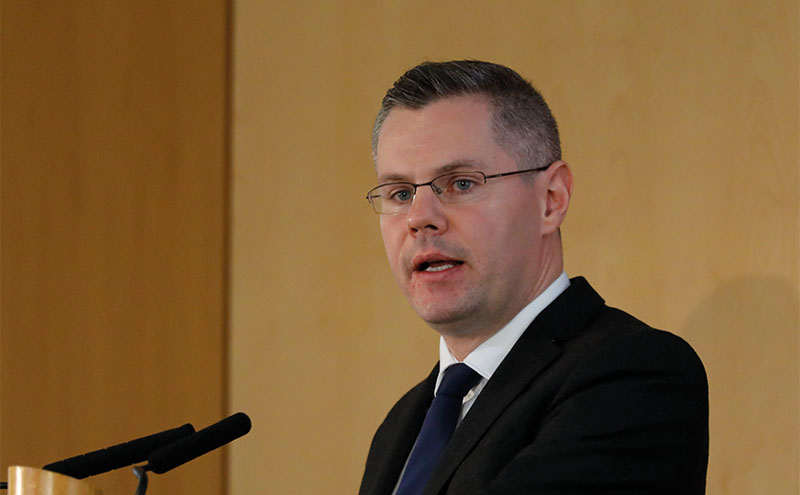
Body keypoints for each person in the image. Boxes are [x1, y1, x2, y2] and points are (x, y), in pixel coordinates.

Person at [359, 60, 708, 495]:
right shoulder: (401, 426)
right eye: (400, 193)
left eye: (461, 183)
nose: (418, 218)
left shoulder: (634, 375)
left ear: (551, 199)